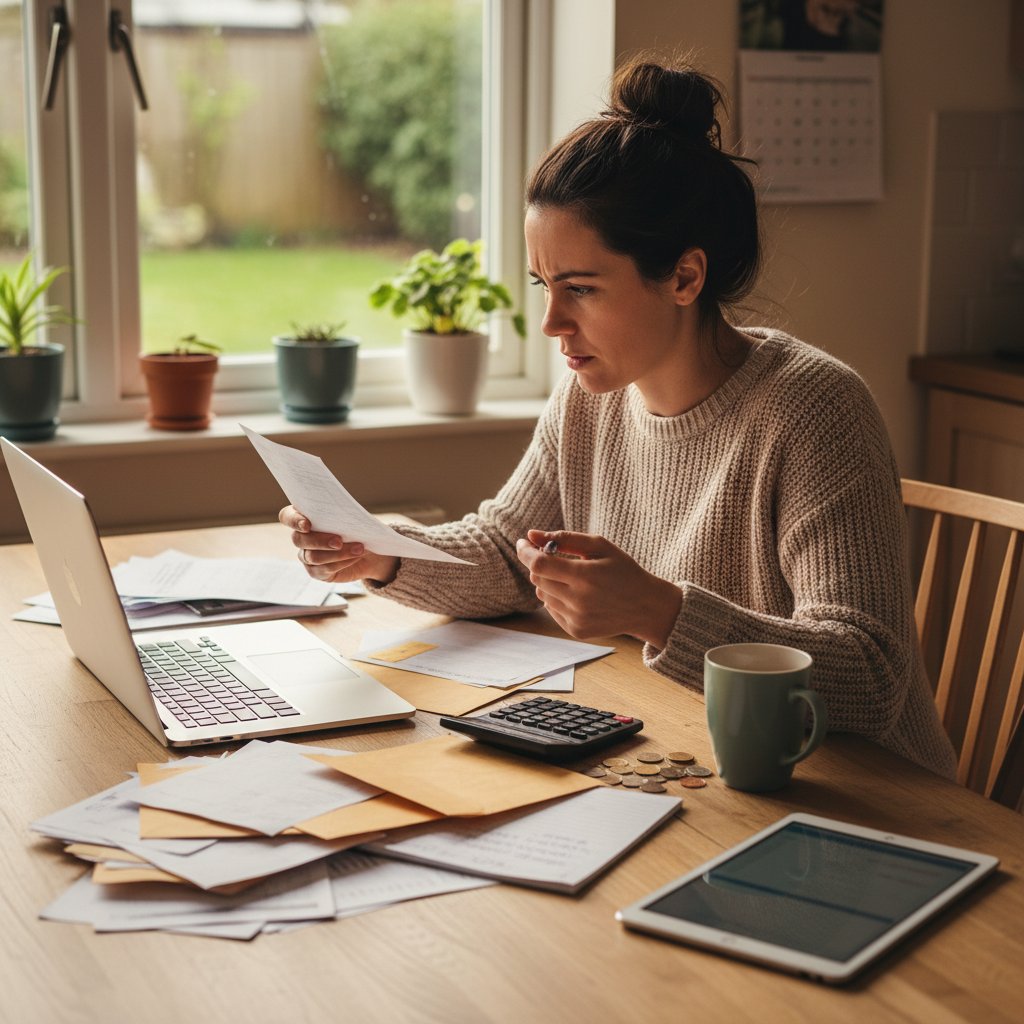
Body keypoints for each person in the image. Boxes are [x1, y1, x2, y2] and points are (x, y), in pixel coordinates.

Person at [280, 57, 956, 779]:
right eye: (543, 285)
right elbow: (512, 556)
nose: (549, 323)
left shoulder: (816, 410)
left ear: (684, 278)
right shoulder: (591, 395)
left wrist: (663, 612)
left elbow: (872, 675)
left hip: (867, 794)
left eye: (580, 289)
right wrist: (381, 554)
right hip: (699, 757)